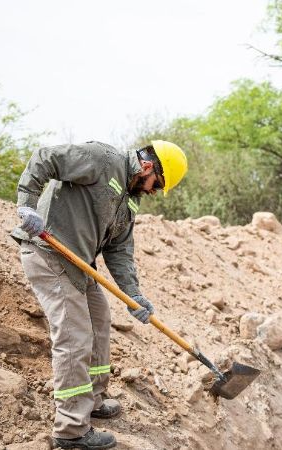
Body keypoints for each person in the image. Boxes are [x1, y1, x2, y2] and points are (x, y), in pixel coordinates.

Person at [12, 140, 187, 449]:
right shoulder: (102, 159)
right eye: (157, 184)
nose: (154, 191)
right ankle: (71, 429)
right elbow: (45, 158)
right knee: (74, 338)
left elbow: (119, 251)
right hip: (49, 252)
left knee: (99, 323)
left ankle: (92, 400)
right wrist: (27, 204)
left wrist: (134, 296)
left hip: (80, 264)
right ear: (148, 166)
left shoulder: (130, 200)